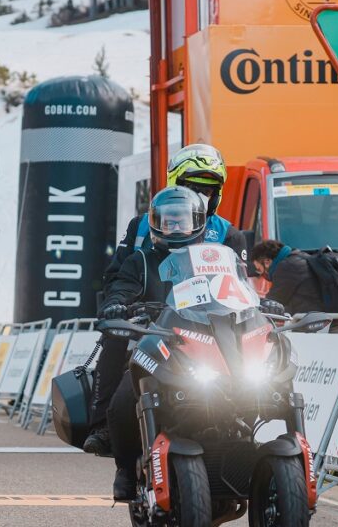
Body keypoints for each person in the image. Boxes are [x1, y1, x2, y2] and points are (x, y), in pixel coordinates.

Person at [83, 143, 248, 456]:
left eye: (208, 190)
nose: (201, 197)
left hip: (209, 319)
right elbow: (120, 274)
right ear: (174, 183)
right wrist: (119, 304)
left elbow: (241, 285)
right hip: (152, 317)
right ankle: (102, 425)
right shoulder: (140, 226)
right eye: (192, 188)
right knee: (115, 338)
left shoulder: (229, 234)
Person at [99, 186, 211, 500]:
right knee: (123, 401)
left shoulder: (211, 259)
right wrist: (116, 303)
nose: (176, 227)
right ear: (155, 223)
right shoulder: (141, 261)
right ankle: (126, 469)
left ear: (197, 222)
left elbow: (237, 287)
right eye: (169, 221)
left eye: (183, 221)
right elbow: (120, 288)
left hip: (203, 347)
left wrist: (261, 304)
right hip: (156, 346)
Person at [251, 240, 323, 315]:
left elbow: (272, 303)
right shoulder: (299, 257)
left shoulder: (287, 267)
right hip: (322, 315)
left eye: (259, 270)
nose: (261, 274)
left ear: (267, 262)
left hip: (310, 319)